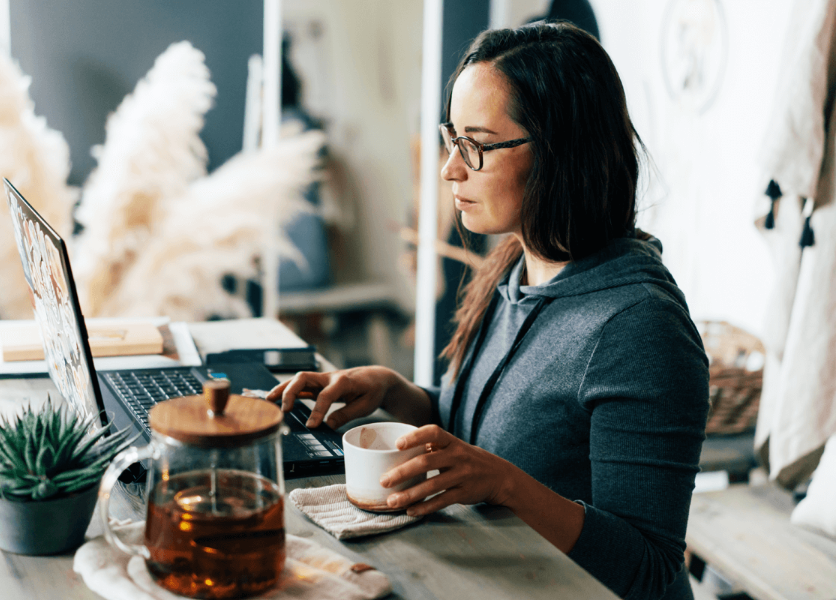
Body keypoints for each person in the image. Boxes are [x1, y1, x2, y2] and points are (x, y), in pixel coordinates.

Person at [268, 22, 709, 600]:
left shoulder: (640, 329)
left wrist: (506, 486)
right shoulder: (516, 263)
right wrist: (398, 393)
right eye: (452, 138)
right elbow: (490, 433)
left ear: (561, 150)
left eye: (475, 145)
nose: (451, 168)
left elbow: (649, 569)